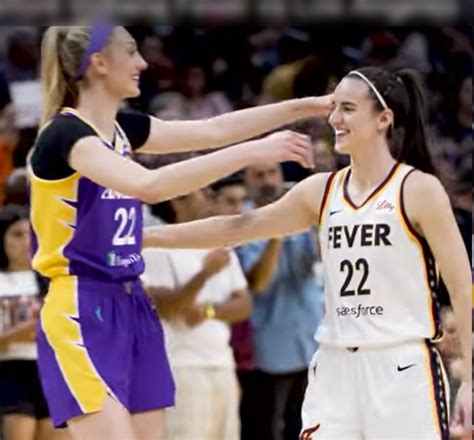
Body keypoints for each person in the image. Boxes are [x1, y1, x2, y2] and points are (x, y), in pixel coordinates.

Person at [29, 24, 332, 440]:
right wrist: (253, 152)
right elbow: (148, 186)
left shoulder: (122, 129)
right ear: (99, 63)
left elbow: (212, 131)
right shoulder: (65, 135)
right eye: (131, 52)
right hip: (82, 304)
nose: (143, 63)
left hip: (133, 302)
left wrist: (303, 106)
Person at [144, 66, 472, 439]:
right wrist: (146, 239)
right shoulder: (319, 190)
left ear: (384, 119)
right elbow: (235, 227)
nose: (334, 119)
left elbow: (463, 290)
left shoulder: (419, 189)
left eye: (348, 108)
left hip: (400, 366)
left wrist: (472, 383)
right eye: (334, 108)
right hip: (334, 365)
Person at [142, 188, 250, 440]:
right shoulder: (157, 247)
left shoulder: (218, 246)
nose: (210, 200)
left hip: (222, 363)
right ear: (177, 201)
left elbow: (244, 305)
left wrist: (208, 311)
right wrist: (204, 274)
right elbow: (170, 309)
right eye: (203, 194)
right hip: (181, 367)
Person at [0, 204, 68, 440]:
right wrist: (20, 333)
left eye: (31, 234)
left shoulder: (52, 280)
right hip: (11, 372)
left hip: (52, 369)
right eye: (17, 235)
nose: (25, 241)